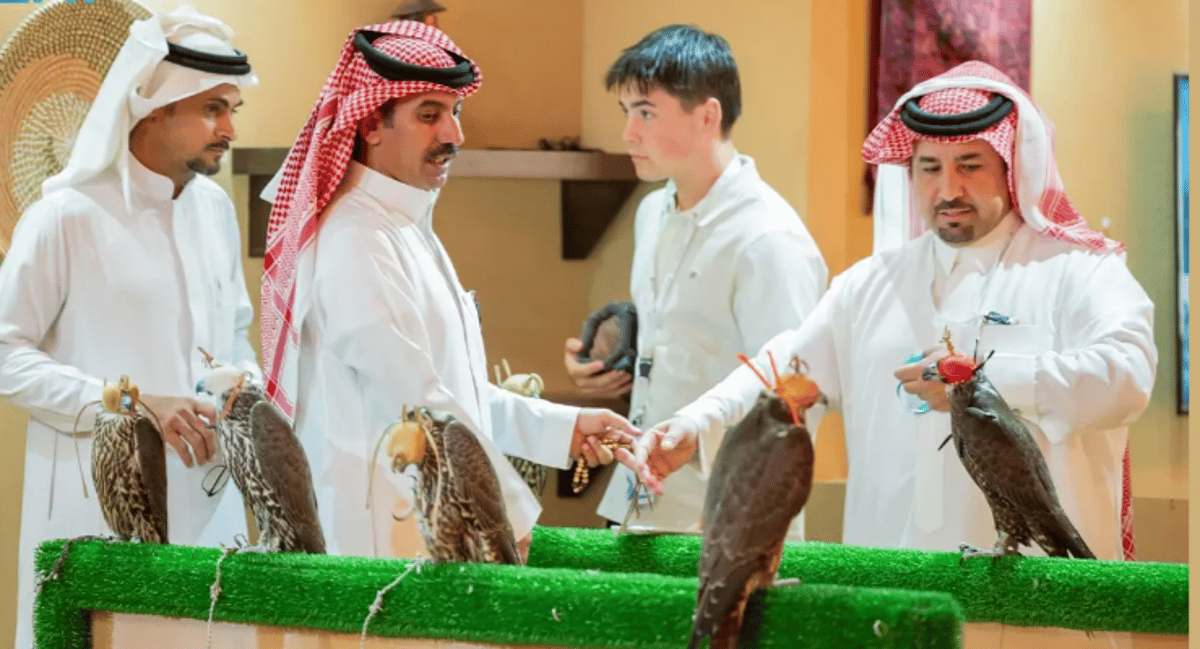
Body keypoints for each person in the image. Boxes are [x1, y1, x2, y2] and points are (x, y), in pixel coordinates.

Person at [628, 61, 1154, 647]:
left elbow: (1127, 376)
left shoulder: (1081, 271)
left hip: (1037, 620)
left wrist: (985, 381)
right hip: (891, 609)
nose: (947, 190)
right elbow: (789, 368)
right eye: (929, 168)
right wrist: (695, 423)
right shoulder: (869, 286)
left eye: (970, 166)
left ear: (1011, 165)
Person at [259, 20, 637, 561]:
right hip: (381, 542)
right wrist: (502, 513)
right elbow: (416, 400)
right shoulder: (356, 240)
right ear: (370, 123)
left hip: (428, 526)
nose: (454, 134)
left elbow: (455, 393)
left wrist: (563, 428)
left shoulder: (404, 226)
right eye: (429, 115)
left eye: (455, 112)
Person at [0, 7, 260, 647]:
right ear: (152, 106)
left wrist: (243, 385)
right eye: (212, 109)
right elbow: (7, 354)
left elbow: (235, 334)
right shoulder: (66, 217)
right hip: (94, 505)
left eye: (232, 110)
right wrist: (131, 404)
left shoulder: (215, 211)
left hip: (212, 502)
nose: (229, 129)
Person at [561, 24, 827, 536]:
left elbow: (792, 388)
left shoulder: (769, 237)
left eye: (646, 112)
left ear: (708, 115)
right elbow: (675, 345)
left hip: (727, 517)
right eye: (626, 112)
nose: (628, 133)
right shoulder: (652, 212)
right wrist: (606, 365)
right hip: (636, 500)